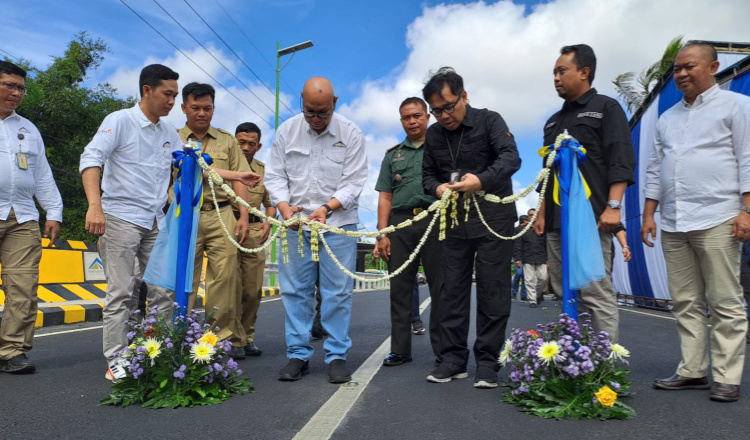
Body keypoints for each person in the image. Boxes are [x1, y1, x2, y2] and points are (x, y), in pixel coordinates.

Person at [643, 43, 750, 403]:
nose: (682, 74)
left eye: (689, 66)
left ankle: (727, 376)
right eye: (676, 69)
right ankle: (692, 370)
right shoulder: (667, 118)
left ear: (714, 66)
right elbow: (656, 168)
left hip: (719, 215)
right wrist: (648, 214)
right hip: (674, 220)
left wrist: (747, 210)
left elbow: (748, 159)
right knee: (685, 301)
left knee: (724, 300)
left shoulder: (738, 106)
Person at [80, 64, 183, 381]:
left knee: (164, 291)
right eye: (167, 94)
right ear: (147, 90)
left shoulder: (169, 133)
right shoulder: (119, 121)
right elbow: (91, 158)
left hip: (156, 221)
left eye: (175, 96)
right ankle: (117, 359)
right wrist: (94, 206)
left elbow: (191, 167)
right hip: (121, 216)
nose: (171, 102)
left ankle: (159, 352)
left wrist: (236, 176)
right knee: (122, 291)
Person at [421, 67, 521, 388]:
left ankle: (488, 363)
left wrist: (481, 180)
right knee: (450, 291)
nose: (443, 116)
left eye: (449, 106)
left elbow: (510, 158)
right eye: (436, 111)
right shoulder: (434, 135)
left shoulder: (490, 120)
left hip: (493, 220)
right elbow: (427, 176)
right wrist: (437, 188)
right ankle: (453, 359)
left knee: (493, 290)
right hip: (453, 223)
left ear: (464, 96)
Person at [265, 77, 367, 383]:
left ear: (334, 102)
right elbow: (274, 175)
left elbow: (354, 179)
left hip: (338, 224)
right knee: (296, 292)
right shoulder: (287, 131)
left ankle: (336, 355)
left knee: (337, 292)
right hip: (295, 225)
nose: (316, 119)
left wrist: (328, 207)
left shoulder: (351, 133)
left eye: (323, 112)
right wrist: (284, 208)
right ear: (302, 102)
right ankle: (298, 354)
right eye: (310, 112)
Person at [533, 44, 635, 342]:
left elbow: (621, 159)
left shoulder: (606, 108)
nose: (556, 77)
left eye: (562, 71)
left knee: (594, 290)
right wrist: (540, 213)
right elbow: (545, 172)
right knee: (564, 290)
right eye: (554, 72)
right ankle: (573, 365)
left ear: (584, 72)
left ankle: (603, 369)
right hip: (555, 221)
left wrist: (613, 206)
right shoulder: (553, 121)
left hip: (592, 218)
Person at [176, 83, 252, 360]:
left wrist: (243, 215)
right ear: (184, 107)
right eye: (195, 108)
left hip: (222, 213)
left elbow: (241, 177)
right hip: (184, 216)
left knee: (224, 279)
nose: (201, 113)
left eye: (207, 108)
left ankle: (217, 339)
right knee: (184, 278)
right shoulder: (172, 138)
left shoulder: (227, 140)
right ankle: (179, 335)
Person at [0, 61, 63, 374]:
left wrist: (53, 211)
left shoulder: (28, 129)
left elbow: (42, 175)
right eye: (9, 85)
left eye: (20, 88)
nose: (16, 93)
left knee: (23, 286)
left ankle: (12, 351)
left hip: (23, 216)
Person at [374, 96, 442, 367]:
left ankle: (444, 350)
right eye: (406, 117)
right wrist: (382, 233)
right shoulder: (393, 155)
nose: (412, 121)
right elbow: (385, 197)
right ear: (401, 120)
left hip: (435, 221)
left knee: (441, 288)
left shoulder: (441, 149)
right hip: (400, 226)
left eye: (416, 115)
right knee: (400, 289)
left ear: (427, 116)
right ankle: (400, 350)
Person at [234, 122, 276, 357]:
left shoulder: (264, 171)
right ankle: (231, 338)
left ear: (258, 146)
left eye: (251, 144)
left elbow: (271, 205)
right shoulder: (224, 166)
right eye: (241, 142)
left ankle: (247, 335)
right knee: (228, 288)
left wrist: (268, 222)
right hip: (227, 226)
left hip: (254, 231)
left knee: (252, 289)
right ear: (234, 141)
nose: (246, 147)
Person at [514, 214, 547, 308]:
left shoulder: (542, 229)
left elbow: (546, 244)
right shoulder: (522, 230)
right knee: (529, 280)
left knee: (543, 278)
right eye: (530, 215)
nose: (532, 216)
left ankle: (537, 295)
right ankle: (532, 300)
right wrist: (518, 259)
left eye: (534, 214)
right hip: (527, 257)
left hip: (541, 257)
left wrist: (548, 259)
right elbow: (518, 245)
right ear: (528, 217)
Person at [511, 216, 528, 302]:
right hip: (518, 255)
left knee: (524, 276)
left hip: (526, 255)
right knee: (519, 274)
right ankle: (514, 292)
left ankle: (523, 295)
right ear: (524, 221)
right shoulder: (517, 230)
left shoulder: (527, 230)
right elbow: (515, 244)